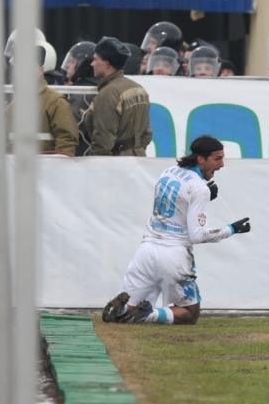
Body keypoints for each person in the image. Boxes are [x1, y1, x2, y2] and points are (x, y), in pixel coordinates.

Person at [101, 135, 251, 326]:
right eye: (217, 159)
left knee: (132, 306)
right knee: (190, 314)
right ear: (200, 159)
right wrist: (231, 229)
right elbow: (198, 235)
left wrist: (202, 198)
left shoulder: (168, 172)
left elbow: (174, 204)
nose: (221, 164)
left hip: (146, 250)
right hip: (174, 254)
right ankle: (149, 315)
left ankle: (121, 312)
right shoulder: (199, 188)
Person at [5, 45, 79, 156]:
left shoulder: (56, 102)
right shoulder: (12, 106)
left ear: (41, 70)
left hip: (48, 171)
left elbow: (66, 142)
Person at [84, 37, 152, 156]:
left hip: (116, 164)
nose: (92, 64)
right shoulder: (139, 89)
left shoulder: (108, 93)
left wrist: (94, 167)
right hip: (139, 160)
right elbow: (146, 135)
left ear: (106, 64)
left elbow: (102, 142)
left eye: (95, 59)